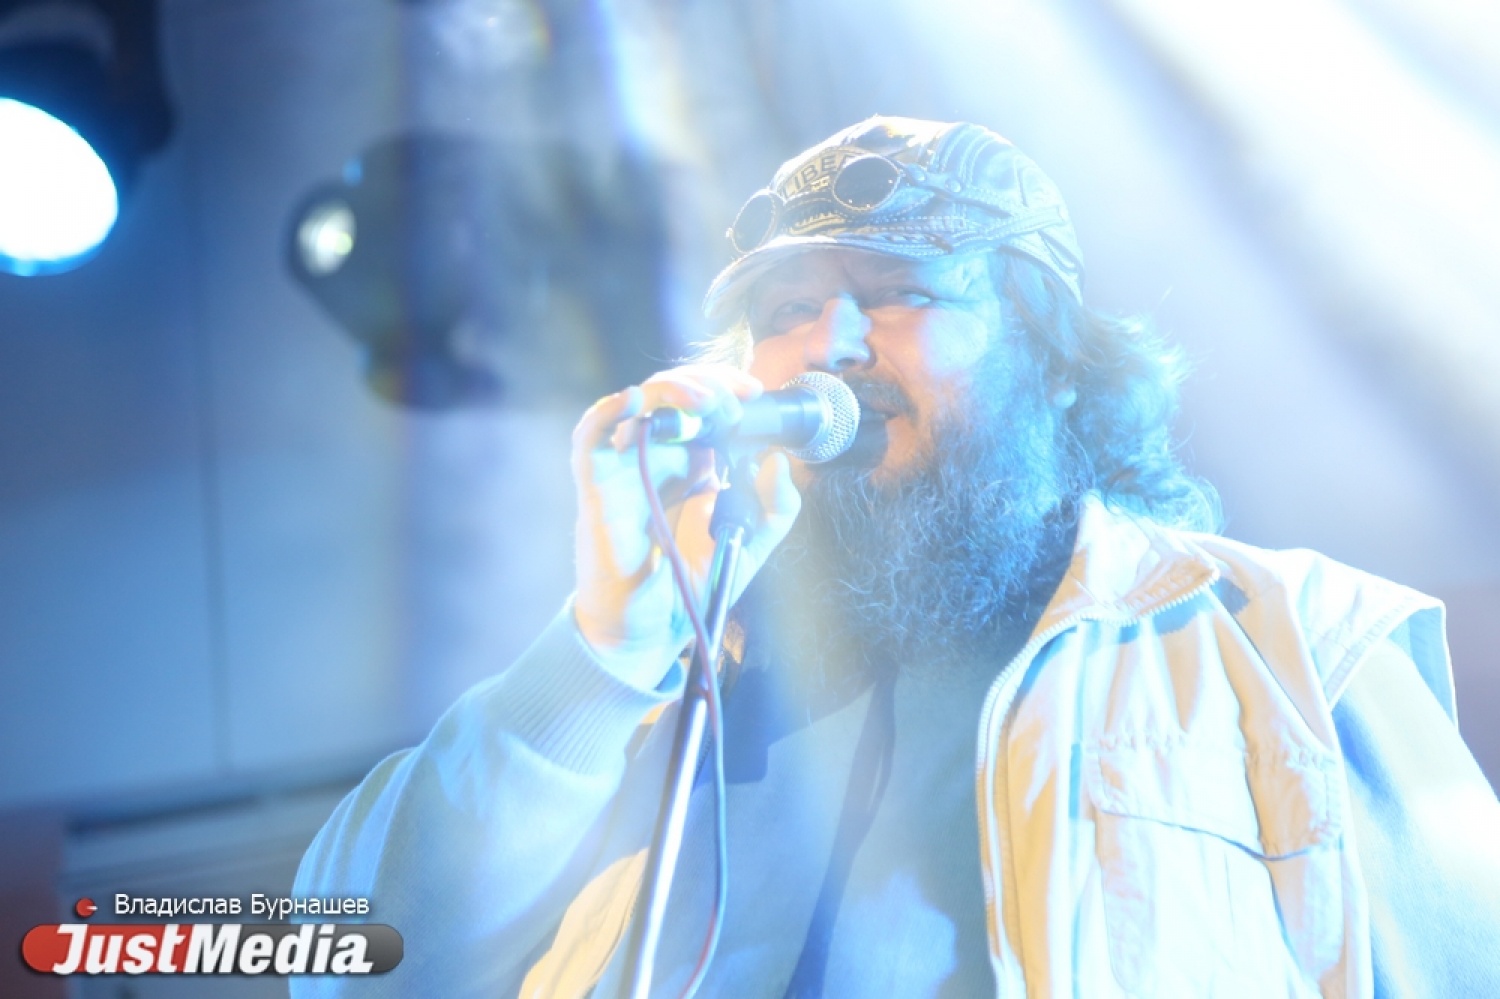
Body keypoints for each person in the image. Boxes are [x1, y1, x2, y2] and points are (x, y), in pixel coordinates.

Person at [293, 117, 1500, 997]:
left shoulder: (1295, 644)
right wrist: (606, 651)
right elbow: (345, 960)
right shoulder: (671, 691)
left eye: (898, 292)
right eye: (785, 313)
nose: (830, 345)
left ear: (1050, 354)